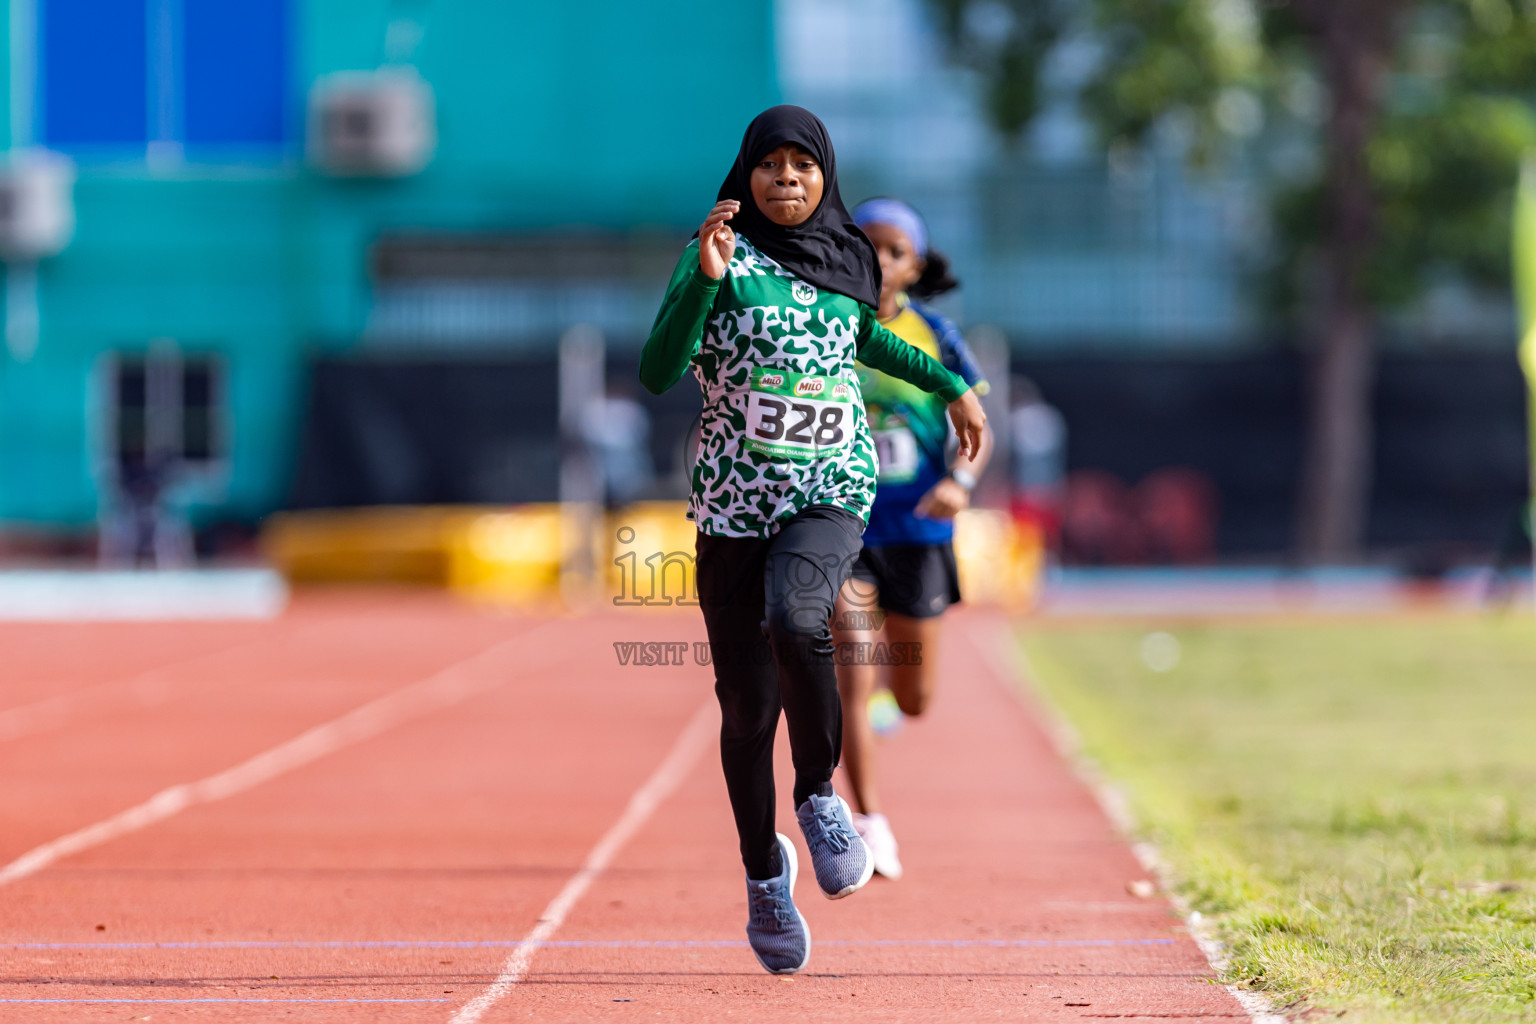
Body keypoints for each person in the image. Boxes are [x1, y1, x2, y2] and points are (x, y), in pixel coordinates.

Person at [639, 107, 986, 975]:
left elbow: (867, 338)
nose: (786, 179)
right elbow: (656, 368)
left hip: (828, 492)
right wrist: (700, 280)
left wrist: (953, 389)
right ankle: (765, 874)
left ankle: (820, 795)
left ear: (826, 175)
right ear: (745, 176)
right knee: (747, 711)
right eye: (769, 165)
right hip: (732, 508)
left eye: (803, 164)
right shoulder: (717, 259)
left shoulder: (847, 263)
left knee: (802, 620)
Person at [831, 198, 994, 881]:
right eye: (864, 245)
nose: (877, 259)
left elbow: (978, 430)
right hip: (842, 523)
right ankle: (868, 821)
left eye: (892, 249)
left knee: (914, 700)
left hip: (919, 531)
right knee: (851, 660)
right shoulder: (823, 323)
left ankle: (882, 702)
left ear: (914, 265)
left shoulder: (935, 335)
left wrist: (960, 482)